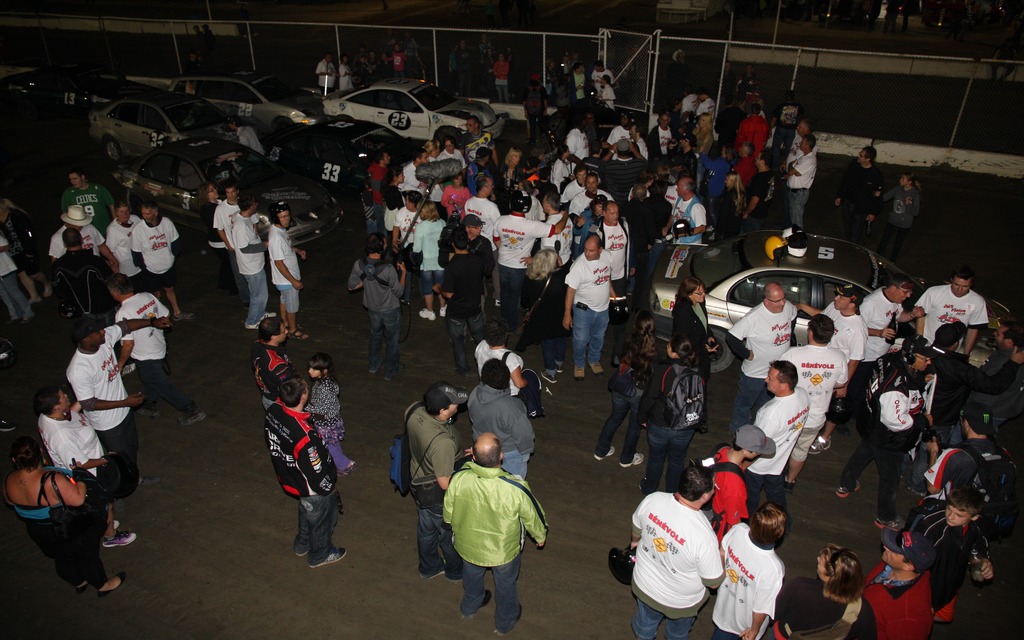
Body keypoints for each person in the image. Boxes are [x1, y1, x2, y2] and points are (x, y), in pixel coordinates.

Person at [444, 432, 547, 634]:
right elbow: (534, 516)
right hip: (503, 551)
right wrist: (540, 536)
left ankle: (469, 607)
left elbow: (448, 511)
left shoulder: (459, 478)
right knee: (506, 584)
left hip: (468, 545)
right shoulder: (515, 487)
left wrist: (451, 524)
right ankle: (504, 622)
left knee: (471, 576)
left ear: (473, 456)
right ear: (501, 456)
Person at [2, 437, 126, 596]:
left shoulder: (9, 480)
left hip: (38, 529)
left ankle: (79, 582)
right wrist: (79, 476)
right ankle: (102, 585)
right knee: (87, 555)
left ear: (14, 459)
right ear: (40, 452)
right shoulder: (51, 480)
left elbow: (10, 502)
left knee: (61, 557)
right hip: (64, 526)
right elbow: (78, 499)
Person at [837, 337, 936, 530]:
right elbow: (894, 420)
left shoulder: (888, 359)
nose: (929, 362)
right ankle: (885, 516)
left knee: (862, 453)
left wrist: (919, 380)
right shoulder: (897, 387)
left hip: (871, 425)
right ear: (909, 356)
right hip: (888, 438)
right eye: (925, 358)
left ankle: (846, 483)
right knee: (890, 478)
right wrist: (922, 421)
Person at [629, 463, 724, 640]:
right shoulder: (704, 536)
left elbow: (636, 530)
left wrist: (635, 542)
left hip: (645, 585)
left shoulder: (653, 499)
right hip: (681, 603)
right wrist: (722, 556)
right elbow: (713, 582)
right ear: (705, 496)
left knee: (644, 627)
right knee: (677, 634)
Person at [34, 386, 133, 547]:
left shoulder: (50, 416)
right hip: (91, 474)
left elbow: (71, 415)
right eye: (63, 396)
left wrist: (83, 400)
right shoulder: (61, 438)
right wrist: (106, 459)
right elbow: (80, 464)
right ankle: (110, 536)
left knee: (104, 506)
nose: (67, 395)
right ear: (56, 407)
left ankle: (106, 524)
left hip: (92, 464)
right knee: (105, 504)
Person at [263, 378, 345, 568]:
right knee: (320, 520)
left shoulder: (273, 411)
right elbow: (316, 473)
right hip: (310, 486)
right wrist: (329, 488)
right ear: (303, 397)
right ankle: (320, 555)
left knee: (306, 509)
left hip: (290, 477)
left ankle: (303, 543)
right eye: (307, 389)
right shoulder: (306, 436)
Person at [107, 273, 207, 426]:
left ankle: (191, 409)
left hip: (146, 355)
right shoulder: (147, 296)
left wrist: (120, 364)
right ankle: (150, 403)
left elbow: (128, 345)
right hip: (158, 345)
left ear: (114, 293)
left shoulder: (123, 313)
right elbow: (166, 315)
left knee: (161, 384)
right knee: (149, 378)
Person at [779, 315, 848, 492]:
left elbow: (778, 378)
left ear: (810, 332)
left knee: (780, 445)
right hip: (815, 417)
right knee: (801, 451)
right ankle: (790, 481)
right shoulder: (839, 357)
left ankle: (773, 474)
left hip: (789, 414)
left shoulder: (793, 354)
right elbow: (841, 382)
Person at [798, 284, 868, 455]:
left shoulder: (858, 329)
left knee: (834, 407)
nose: (835, 299)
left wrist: (844, 384)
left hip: (834, 371)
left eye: (840, 297)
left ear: (853, 302)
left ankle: (825, 438)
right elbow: (822, 316)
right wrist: (801, 306)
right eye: (837, 295)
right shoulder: (835, 308)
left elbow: (855, 360)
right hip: (818, 363)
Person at [408, 381, 468, 581]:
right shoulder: (442, 444)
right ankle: (455, 571)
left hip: (418, 481)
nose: (457, 406)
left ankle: (428, 567)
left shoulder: (414, 410)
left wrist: (460, 455)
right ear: (443, 411)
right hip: (436, 496)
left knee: (426, 531)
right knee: (448, 536)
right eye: (453, 404)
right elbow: (444, 483)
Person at [909, 486, 993, 624]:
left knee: (945, 618)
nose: (950, 516)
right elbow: (913, 559)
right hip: (929, 589)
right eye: (949, 509)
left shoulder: (976, 527)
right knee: (919, 622)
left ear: (974, 517)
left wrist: (984, 560)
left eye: (959, 515)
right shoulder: (932, 526)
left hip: (951, 588)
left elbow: (979, 543)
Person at [725, 282, 797, 434]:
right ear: (766, 301)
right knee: (744, 404)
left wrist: (791, 337)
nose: (783, 303)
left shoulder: (787, 306)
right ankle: (739, 432)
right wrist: (746, 354)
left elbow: (793, 316)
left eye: (784, 298)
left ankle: (757, 429)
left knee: (765, 404)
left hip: (776, 374)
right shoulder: (754, 317)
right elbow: (731, 337)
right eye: (778, 301)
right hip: (755, 374)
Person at [743, 360, 809, 525]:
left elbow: (756, 445)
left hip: (759, 466)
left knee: (750, 497)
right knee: (776, 496)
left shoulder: (772, 413)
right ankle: (783, 525)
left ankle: (748, 525)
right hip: (779, 461)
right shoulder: (802, 395)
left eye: (770, 378)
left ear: (784, 385)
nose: (766, 380)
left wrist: (743, 464)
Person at [637, 334, 704, 495]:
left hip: (660, 424)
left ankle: (650, 489)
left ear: (674, 353)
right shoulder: (696, 371)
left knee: (656, 458)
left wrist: (642, 417)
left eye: (668, 345)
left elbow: (650, 397)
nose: (666, 347)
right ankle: (673, 492)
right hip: (686, 426)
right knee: (677, 461)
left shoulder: (664, 370)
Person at [711, 502, 787, 640]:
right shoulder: (773, 568)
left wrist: (721, 574)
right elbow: (761, 606)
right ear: (780, 533)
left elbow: (722, 551)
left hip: (723, 609)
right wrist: (754, 630)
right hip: (744, 627)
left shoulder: (738, 530)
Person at [497, 190, 567, 332]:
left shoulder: (500, 220)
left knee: (505, 294)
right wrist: (564, 215)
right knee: (515, 296)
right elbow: (558, 229)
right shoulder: (532, 225)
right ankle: (511, 325)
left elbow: (496, 239)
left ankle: (504, 322)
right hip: (519, 265)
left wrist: (508, 250)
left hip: (503, 263)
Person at [770, 544, 876, 638]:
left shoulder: (800, 587)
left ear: (830, 577)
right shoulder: (862, 609)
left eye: (820, 562)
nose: (817, 559)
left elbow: (773, 615)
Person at [595, 311, 657, 468]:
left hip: (621, 386)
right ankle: (626, 458)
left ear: (635, 325)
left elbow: (616, 359)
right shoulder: (654, 351)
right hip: (639, 393)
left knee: (614, 417)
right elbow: (654, 376)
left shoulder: (626, 340)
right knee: (634, 426)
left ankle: (601, 450)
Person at [348, 233, 406, 381]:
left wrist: (366, 280)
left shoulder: (359, 265)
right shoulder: (387, 269)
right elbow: (399, 292)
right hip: (390, 309)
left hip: (372, 308)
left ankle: (373, 365)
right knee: (392, 341)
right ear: (381, 248)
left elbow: (351, 286)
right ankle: (391, 371)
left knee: (375, 336)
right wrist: (403, 273)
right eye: (385, 243)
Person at [706, 425, 777, 543]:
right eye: (758, 451)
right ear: (745, 451)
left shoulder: (722, 449)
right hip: (721, 528)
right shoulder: (735, 484)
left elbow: (738, 468)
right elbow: (734, 521)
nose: (759, 453)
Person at [435, 225, 490, 377]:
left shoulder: (452, 266)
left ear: (453, 244)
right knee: (480, 339)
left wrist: (439, 289)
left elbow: (449, 294)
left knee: (458, 342)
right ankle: (486, 366)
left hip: (456, 312)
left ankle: (463, 369)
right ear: (467, 242)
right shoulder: (478, 260)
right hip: (474, 307)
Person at [863, 529, 936, 640]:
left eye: (895, 551)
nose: (885, 547)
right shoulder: (890, 566)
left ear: (908, 566)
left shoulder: (908, 617)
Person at [468, 360, 535, 478]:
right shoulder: (511, 407)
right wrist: (526, 452)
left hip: (485, 450)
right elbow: (524, 435)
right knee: (511, 488)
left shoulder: (475, 394)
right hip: (509, 453)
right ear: (507, 380)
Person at [131, 200, 194, 322]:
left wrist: (171, 259)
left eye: (148, 213)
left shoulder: (167, 223)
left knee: (170, 289)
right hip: (150, 270)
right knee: (156, 294)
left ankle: (177, 312)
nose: (145, 216)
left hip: (168, 266)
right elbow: (136, 253)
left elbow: (176, 243)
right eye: (143, 213)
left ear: (155, 212)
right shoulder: (138, 230)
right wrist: (145, 268)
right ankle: (157, 318)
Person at [516, 247, 570, 382]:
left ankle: (551, 372)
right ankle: (559, 363)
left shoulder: (531, 278)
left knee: (547, 344)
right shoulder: (564, 276)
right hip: (560, 315)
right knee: (561, 338)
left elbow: (524, 301)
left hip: (542, 317)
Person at [563, 234, 612, 380]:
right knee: (580, 339)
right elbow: (570, 290)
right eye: (585, 249)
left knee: (598, 337)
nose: (587, 253)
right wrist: (567, 313)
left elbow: (607, 277)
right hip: (583, 309)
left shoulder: (608, 256)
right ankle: (579, 363)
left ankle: (593, 360)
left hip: (603, 308)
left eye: (591, 250)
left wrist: (613, 293)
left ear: (600, 250)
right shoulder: (579, 265)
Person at [915, 265, 989, 356]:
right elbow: (920, 316)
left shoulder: (977, 301)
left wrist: (965, 355)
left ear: (971, 284)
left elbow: (973, 330)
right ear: (951, 280)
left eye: (965, 286)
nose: (959, 289)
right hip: (927, 346)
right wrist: (920, 341)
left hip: (951, 351)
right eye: (956, 284)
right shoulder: (934, 292)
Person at [52, 227, 116, 323]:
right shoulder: (95, 261)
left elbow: (58, 289)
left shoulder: (58, 266)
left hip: (80, 310)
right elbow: (111, 281)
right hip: (104, 307)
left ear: (64, 244)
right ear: (82, 240)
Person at [969, 319, 1024, 429]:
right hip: (1008, 407)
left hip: (991, 410)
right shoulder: (1018, 354)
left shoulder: (1003, 363)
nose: (994, 333)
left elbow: (987, 393)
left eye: (998, 334)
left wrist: (969, 407)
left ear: (1009, 342)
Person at [306, 352, 355, 476]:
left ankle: (345, 464)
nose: (310, 371)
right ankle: (340, 463)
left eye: (314, 369)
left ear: (325, 370)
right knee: (333, 443)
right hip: (331, 420)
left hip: (325, 422)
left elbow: (321, 409)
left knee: (328, 446)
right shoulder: (326, 381)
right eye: (310, 367)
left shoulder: (325, 387)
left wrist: (305, 406)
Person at [229, 195, 274, 329]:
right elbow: (244, 248)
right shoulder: (241, 227)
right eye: (254, 204)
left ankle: (260, 314)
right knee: (257, 295)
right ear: (250, 207)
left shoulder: (241, 216)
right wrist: (265, 245)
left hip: (256, 264)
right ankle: (251, 321)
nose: (257, 205)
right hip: (251, 267)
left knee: (262, 294)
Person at [267, 201, 307, 339]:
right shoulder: (276, 237)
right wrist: (294, 281)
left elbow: (285, 248)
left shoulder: (279, 230)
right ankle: (292, 330)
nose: (286, 219)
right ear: (275, 218)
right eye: (282, 217)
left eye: (287, 215)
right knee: (292, 307)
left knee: (284, 302)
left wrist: (296, 250)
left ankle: (284, 324)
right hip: (287, 280)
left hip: (283, 280)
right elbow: (279, 263)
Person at [0, 198, 51, 303]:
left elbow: (28, 233)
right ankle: (34, 296)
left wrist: (30, 250)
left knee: (33, 273)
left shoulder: (16, 215)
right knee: (21, 273)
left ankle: (46, 283)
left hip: (25, 248)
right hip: (11, 250)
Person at [834, 146, 884, 245]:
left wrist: (873, 212)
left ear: (868, 159)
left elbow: (878, 195)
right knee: (847, 227)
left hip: (861, 208)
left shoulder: (875, 175)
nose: (858, 157)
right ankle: (847, 243)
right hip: (848, 202)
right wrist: (839, 195)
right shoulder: (853, 165)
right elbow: (845, 180)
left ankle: (851, 249)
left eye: (861, 156)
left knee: (855, 232)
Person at [49, 204, 118, 271]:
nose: (81, 226)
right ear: (69, 222)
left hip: (96, 268)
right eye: (78, 223)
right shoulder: (57, 238)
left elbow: (101, 245)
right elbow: (55, 262)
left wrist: (113, 260)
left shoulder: (89, 227)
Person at [212, 179, 248, 304]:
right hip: (233, 247)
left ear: (237, 192)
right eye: (228, 192)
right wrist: (228, 245)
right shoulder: (221, 209)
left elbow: (253, 222)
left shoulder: (244, 204)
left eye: (233, 192)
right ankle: (245, 299)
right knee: (238, 273)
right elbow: (219, 229)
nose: (231, 195)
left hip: (247, 243)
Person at [251, 315, 297, 411]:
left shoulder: (257, 346)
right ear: (273, 337)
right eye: (283, 330)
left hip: (267, 395)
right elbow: (289, 388)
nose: (287, 331)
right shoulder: (276, 365)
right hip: (279, 403)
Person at [474, 318, 527, 396]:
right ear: (506, 336)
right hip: (507, 395)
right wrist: (527, 381)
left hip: (488, 388)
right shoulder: (510, 358)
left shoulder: (481, 345)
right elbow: (519, 384)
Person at [876, 172, 921, 262]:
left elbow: (916, 212)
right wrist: (878, 196)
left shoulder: (915, 194)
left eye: (903, 179)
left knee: (897, 244)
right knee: (884, 241)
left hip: (904, 224)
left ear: (909, 182)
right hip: (892, 220)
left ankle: (892, 262)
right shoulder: (898, 189)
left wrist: (908, 205)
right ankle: (878, 259)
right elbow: (885, 198)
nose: (900, 180)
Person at [412, 201, 446, 320]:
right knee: (440, 285)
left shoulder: (421, 227)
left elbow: (416, 248)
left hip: (426, 262)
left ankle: (430, 312)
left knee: (427, 287)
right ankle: (443, 308)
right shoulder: (442, 223)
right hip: (440, 260)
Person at [61, 168, 116, 235]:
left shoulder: (98, 188)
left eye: (75, 179)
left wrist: (115, 223)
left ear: (83, 177)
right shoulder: (68, 193)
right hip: (83, 232)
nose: (72, 181)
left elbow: (111, 205)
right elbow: (65, 213)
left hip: (103, 229)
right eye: (70, 179)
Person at [104, 202, 142, 289]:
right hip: (128, 268)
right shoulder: (112, 230)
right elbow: (110, 252)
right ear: (116, 213)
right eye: (121, 212)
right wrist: (114, 269)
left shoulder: (135, 219)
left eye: (127, 211)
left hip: (141, 261)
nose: (125, 214)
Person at [784, 134, 817, 229]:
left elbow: (791, 170)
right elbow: (793, 171)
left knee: (797, 221)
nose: (800, 144)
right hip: (794, 192)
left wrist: (792, 168)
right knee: (793, 218)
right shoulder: (803, 156)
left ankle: (799, 241)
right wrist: (793, 172)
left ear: (807, 145)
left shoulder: (810, 160)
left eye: (802, 142)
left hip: (799, 193)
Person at [0, 226, 32, 322]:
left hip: (5, 268)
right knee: (3, 294)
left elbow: (5, 246)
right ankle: (14, 314)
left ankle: (28, 313)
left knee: (14, 291)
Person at [740, 153, 775, 233]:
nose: (756, 159)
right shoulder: (770, 174)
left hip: (754, 216)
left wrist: (747, 212)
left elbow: (755, 199)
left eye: (758, 158)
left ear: (762, 162)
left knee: (746, 237)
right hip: (762, 213)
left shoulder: (760, 179)